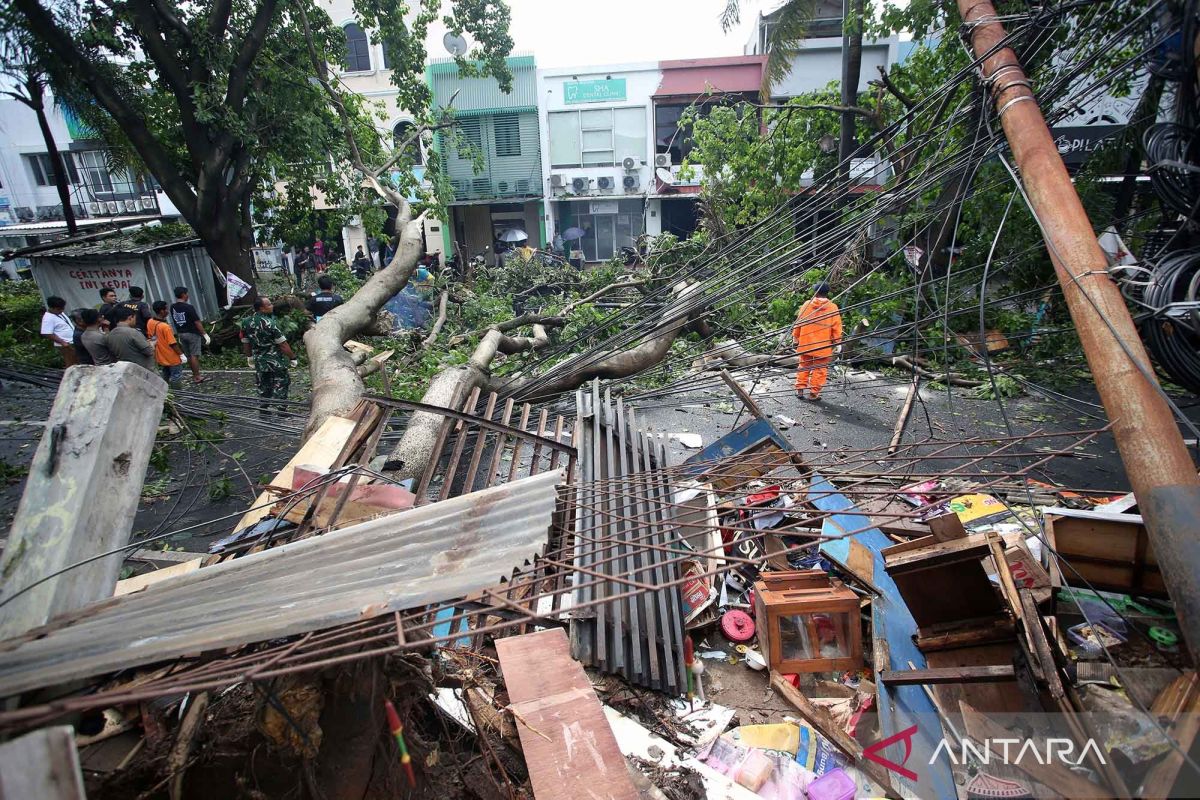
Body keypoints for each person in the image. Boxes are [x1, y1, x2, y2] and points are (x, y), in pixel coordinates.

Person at [240, 296, 297, 415]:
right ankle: (281, 408)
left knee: (263, 382)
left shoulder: (246, 322)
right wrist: (292, 357)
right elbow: (282, 344)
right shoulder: (269, 323)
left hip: (259, 359)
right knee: (281, 381)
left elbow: (245, 342)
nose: (272, 306)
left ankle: (264, 406)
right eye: (269, 304)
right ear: (262, 308)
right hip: (274, 358)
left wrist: (249, 356)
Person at [792, 282, 842, 402]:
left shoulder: (806, 305)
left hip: (806, 343)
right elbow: (836, 327)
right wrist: (837, 342)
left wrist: (796, 337)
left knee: (804, 365)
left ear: (815, 292)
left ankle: (800, 390)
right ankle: (813, 394)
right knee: (820, 369)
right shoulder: (832, 307)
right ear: (827, 293)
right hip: (823, 345)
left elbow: (798, 322)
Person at [170, 286, 210, 383]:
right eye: (187, 293)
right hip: (192, 333)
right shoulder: (189, 307)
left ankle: (194, 375)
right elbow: (197, 322)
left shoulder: (173, 307)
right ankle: (197, 376)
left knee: (188, 355)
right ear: (183, 294)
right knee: (194, 355)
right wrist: (205, 334)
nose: (188, 295)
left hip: (181, 333)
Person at [107, 306, 156, 372]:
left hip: (127, 370)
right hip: (144, 370)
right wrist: (152, 344)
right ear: (130, 318)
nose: (135, 321)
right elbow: (149, 351)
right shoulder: (133, 332)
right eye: (135, 318)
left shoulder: (110, 335)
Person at [148, 301, 186, 384]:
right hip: (172, 357)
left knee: (165, 375)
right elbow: (172, 343)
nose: (168, 311)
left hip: (161, 356)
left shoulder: (150, 322)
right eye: (166, 309)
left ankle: (165, 392)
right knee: (176, 377)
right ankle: (177, 394)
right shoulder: (165, 327)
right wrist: (181, 355)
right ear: (162, 311)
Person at [40, 296, 77, 367]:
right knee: (70, 363)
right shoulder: (48, 318)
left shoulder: (59, 313)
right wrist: (62, 342)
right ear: (52, 308)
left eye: (62, 308)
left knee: (77, 360)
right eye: (59, 309)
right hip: (65, 344)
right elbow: (46, 333)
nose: (62, 310)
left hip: (72, 341)